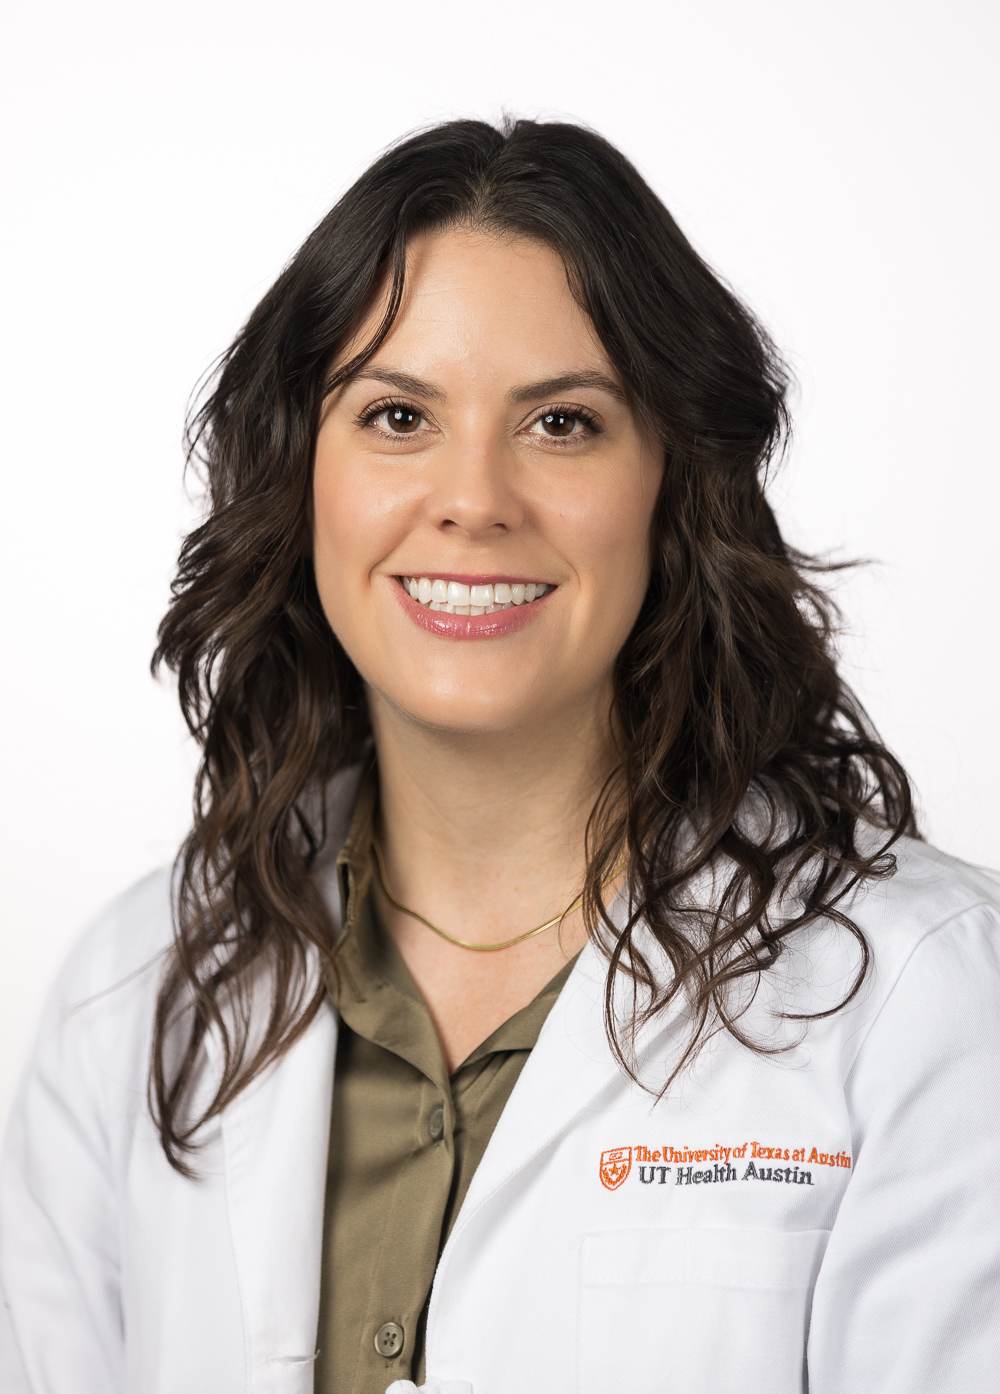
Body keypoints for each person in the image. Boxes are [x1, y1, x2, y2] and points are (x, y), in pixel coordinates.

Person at [1, 117, 998, 1394]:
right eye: (399, 413)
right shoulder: (134, 993)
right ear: (303, 472)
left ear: (670, 480)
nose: (473, 497)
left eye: (563, 423)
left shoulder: (916, 998)